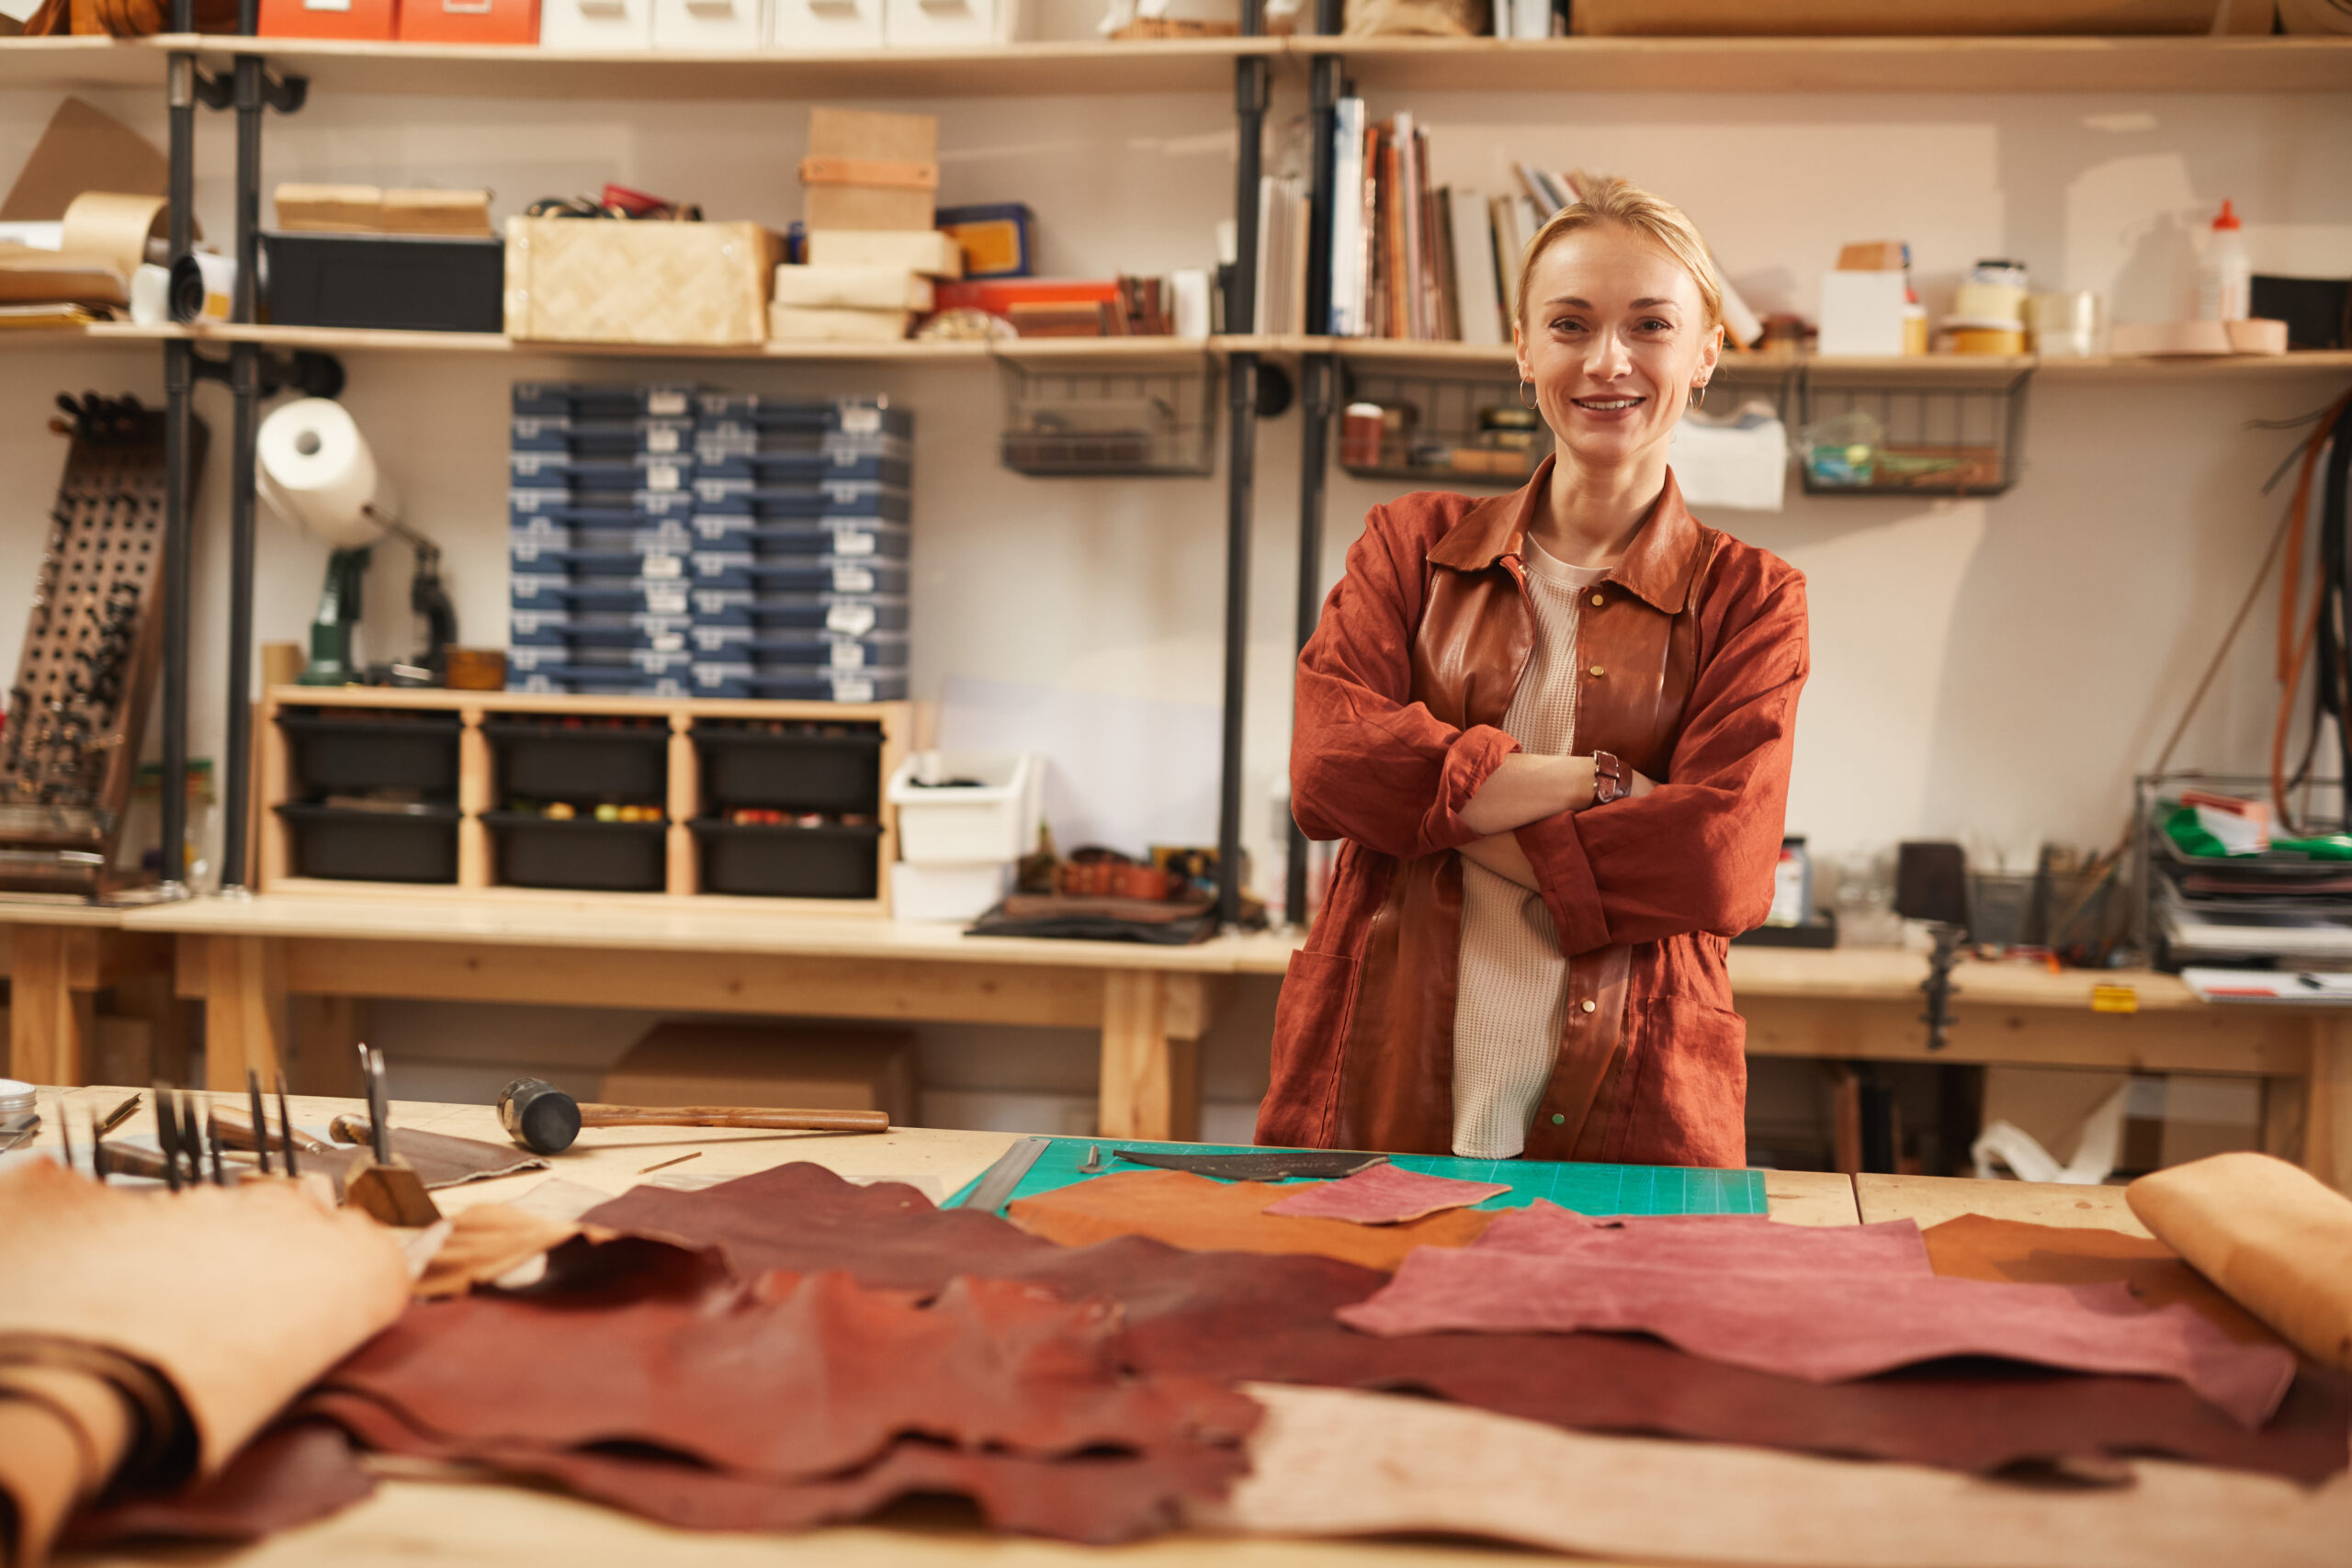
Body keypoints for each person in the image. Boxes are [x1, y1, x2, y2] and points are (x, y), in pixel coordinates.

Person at [1259, 177, 1809, 1168]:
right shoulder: (1408, 547)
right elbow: (1332, 765)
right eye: (1570, 324)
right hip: (1379, 1079)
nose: (1608, 360)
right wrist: (1592, 782)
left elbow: (1715, 863)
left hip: (1634, 1100)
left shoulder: (1752, 598)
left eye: (1650, 325)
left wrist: (1438, 816)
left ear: (1705, 354)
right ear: (1523, 349)